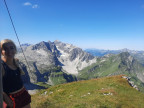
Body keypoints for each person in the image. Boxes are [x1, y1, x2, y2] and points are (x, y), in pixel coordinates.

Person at [1, 39, 31, 108]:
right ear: (1, 52)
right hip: (12, 99)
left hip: (23, 93)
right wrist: (5, 98)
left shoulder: (16, 61)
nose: (9, 52)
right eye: (5, 49)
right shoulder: (1, 66)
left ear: (15, 49)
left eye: (11, 48)